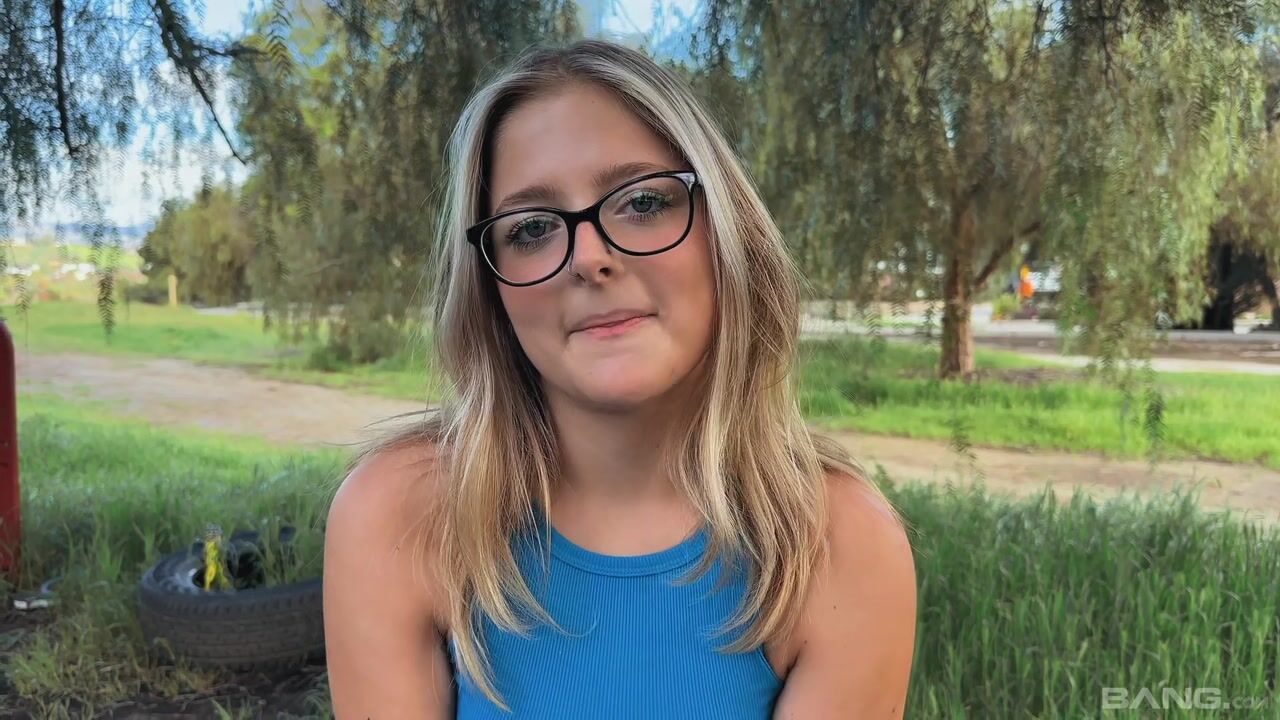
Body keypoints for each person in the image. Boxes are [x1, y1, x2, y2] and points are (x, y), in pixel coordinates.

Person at [322, 38, 917, 719]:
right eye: (532, 228)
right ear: (491, 288)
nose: (589, 257)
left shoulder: (839, 545)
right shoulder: (401, 517)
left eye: (642, 202)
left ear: (727, 233)